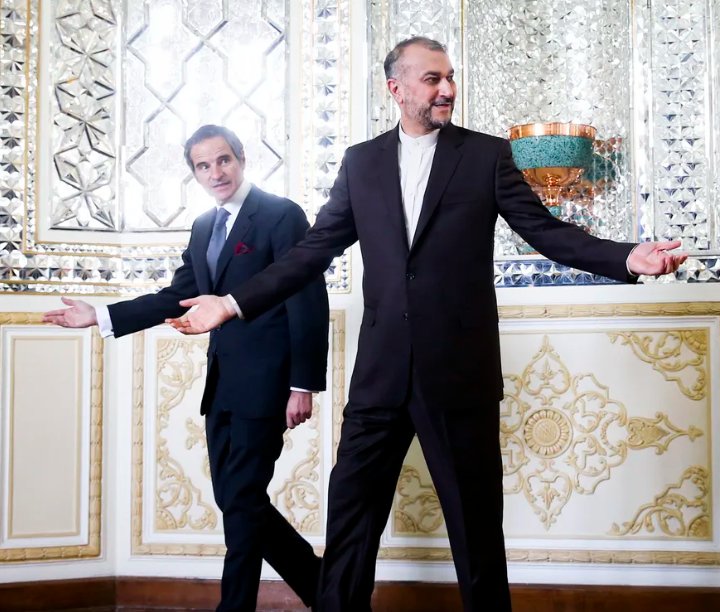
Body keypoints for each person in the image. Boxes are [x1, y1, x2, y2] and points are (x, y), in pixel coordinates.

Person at [167, 38, 687, 612]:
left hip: (458, 373)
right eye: (433, 79)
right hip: (380, 374)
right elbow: (311, 252)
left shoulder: (486, 156)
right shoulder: (361, 163)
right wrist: (232, 303)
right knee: (350, 520)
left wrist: (626, 257)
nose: (447, 90)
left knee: (475, 528)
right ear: (397, 89)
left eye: (450, 78)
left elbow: (546, 232)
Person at [43, 125, 329, 611]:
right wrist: (101, 315)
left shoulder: (280, 215)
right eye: (203, 165)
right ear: (194, 173)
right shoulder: (202, 227)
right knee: (236, 500)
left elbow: (307, 298)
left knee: (242, 501)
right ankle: (327, 590)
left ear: (241, 159)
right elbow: (176, 296)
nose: (216, 172)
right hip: (221, 387)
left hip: (268, 384)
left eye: (223, 160)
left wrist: (302, 385)